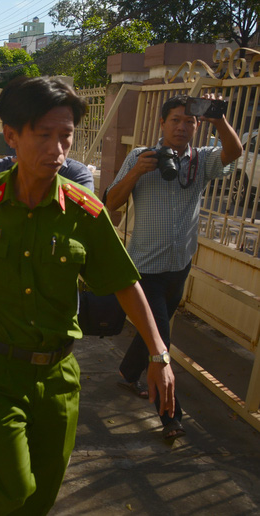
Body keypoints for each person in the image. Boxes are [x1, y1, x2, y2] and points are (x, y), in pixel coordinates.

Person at [0, 76, 176, 515]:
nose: (56, 149)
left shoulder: (86, 212)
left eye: (65, 136)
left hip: (59, 380)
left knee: (40, 499)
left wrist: (159, 355)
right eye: (43, 135)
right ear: (11, 136)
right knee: (12, 486)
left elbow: (125, 281)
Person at [105, 94, 242, 440]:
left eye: (189, 121)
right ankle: (171, 416)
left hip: (179, 265)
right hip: (145, 268)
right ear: (162, 124)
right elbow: (111, 203)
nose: (182, 127)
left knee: (152, 327)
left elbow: (235, 152)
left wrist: (217, 118)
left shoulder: (202, 161)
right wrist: (136, 171)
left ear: (196, 126)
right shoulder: (141, 156)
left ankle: (127, 371)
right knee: (161, 342)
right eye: (175, 121)